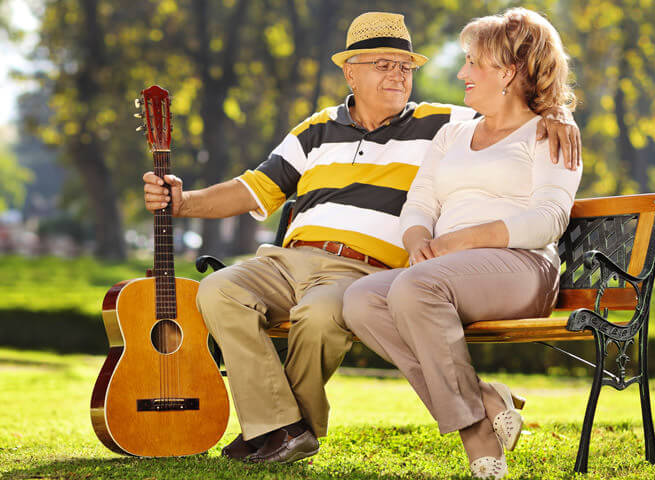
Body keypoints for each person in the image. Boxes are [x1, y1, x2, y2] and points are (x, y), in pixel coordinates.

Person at [142, 11, 580, 465]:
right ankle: (281, 428)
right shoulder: (315, 130)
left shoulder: (441, 123)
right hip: (287, 261)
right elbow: (254, 187)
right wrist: (183, 200)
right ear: (350, 71)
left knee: (321, 313)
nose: (398, 74)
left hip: (360, 268)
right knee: (218, 289)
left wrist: (558, 112)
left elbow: (515, 109)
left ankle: (280, 432)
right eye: (383, 64)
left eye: (405, 66)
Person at [342, 8, 582, 479]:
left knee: (413, 288)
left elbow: (549, 219)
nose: (461, 72)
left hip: (521, 268)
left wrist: (462, 241)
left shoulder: (550, 132)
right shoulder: (453, 132)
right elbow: (419, 204)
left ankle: (476, 440)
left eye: (473, 61)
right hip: (444, 273)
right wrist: (418, 241)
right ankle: (488, 401)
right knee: (361, 299)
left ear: (508, 71)